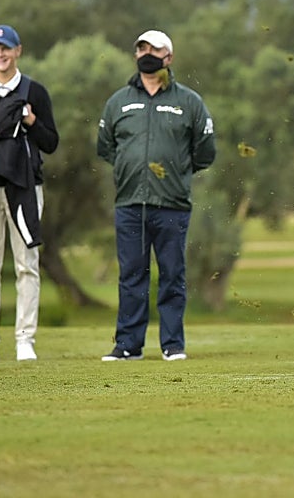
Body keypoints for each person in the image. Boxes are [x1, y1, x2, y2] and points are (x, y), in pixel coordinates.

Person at [97, 30, 216, 361]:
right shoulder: (118, 101)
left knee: (172, 276)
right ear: (135, 56)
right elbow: (106, 147)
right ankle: (128, 346)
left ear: (169, 57)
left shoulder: (189, 102)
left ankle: (172, 344)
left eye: (155, 48)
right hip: (130, 202)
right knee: (131, 276)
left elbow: (205, 152)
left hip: (172, 205)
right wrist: (128, 167)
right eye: (142, 48)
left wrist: (176, 171)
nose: (147, 53)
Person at [0, 25, 59, 361]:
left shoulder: (36, 92)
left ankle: (24, 339)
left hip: (26, 188)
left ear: (18, 50)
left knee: (26, 265)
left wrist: (31, 121)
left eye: (6, 49)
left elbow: (51, 142)